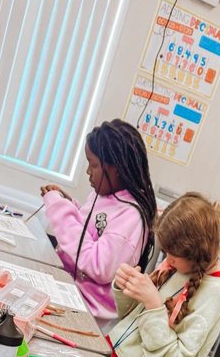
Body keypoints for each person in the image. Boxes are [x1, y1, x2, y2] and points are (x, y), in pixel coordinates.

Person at [108, 192, 220, 357]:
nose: (168, 260)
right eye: (166, 252)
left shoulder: (216, 295)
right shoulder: (179, 266)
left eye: (173, 255)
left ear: (197, 254)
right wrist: (125, 286)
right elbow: (128, 319)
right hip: (114, 354)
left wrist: (153, 304)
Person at [41, 119, 156, 322]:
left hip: (87, 312)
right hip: (69, 289)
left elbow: (97, 265)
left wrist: (60, 209)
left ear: (116, 168)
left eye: (93, 164)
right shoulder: (103, 195)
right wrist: (70, 204)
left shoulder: (131, 216)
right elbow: (91, 229)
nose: (88, 171)